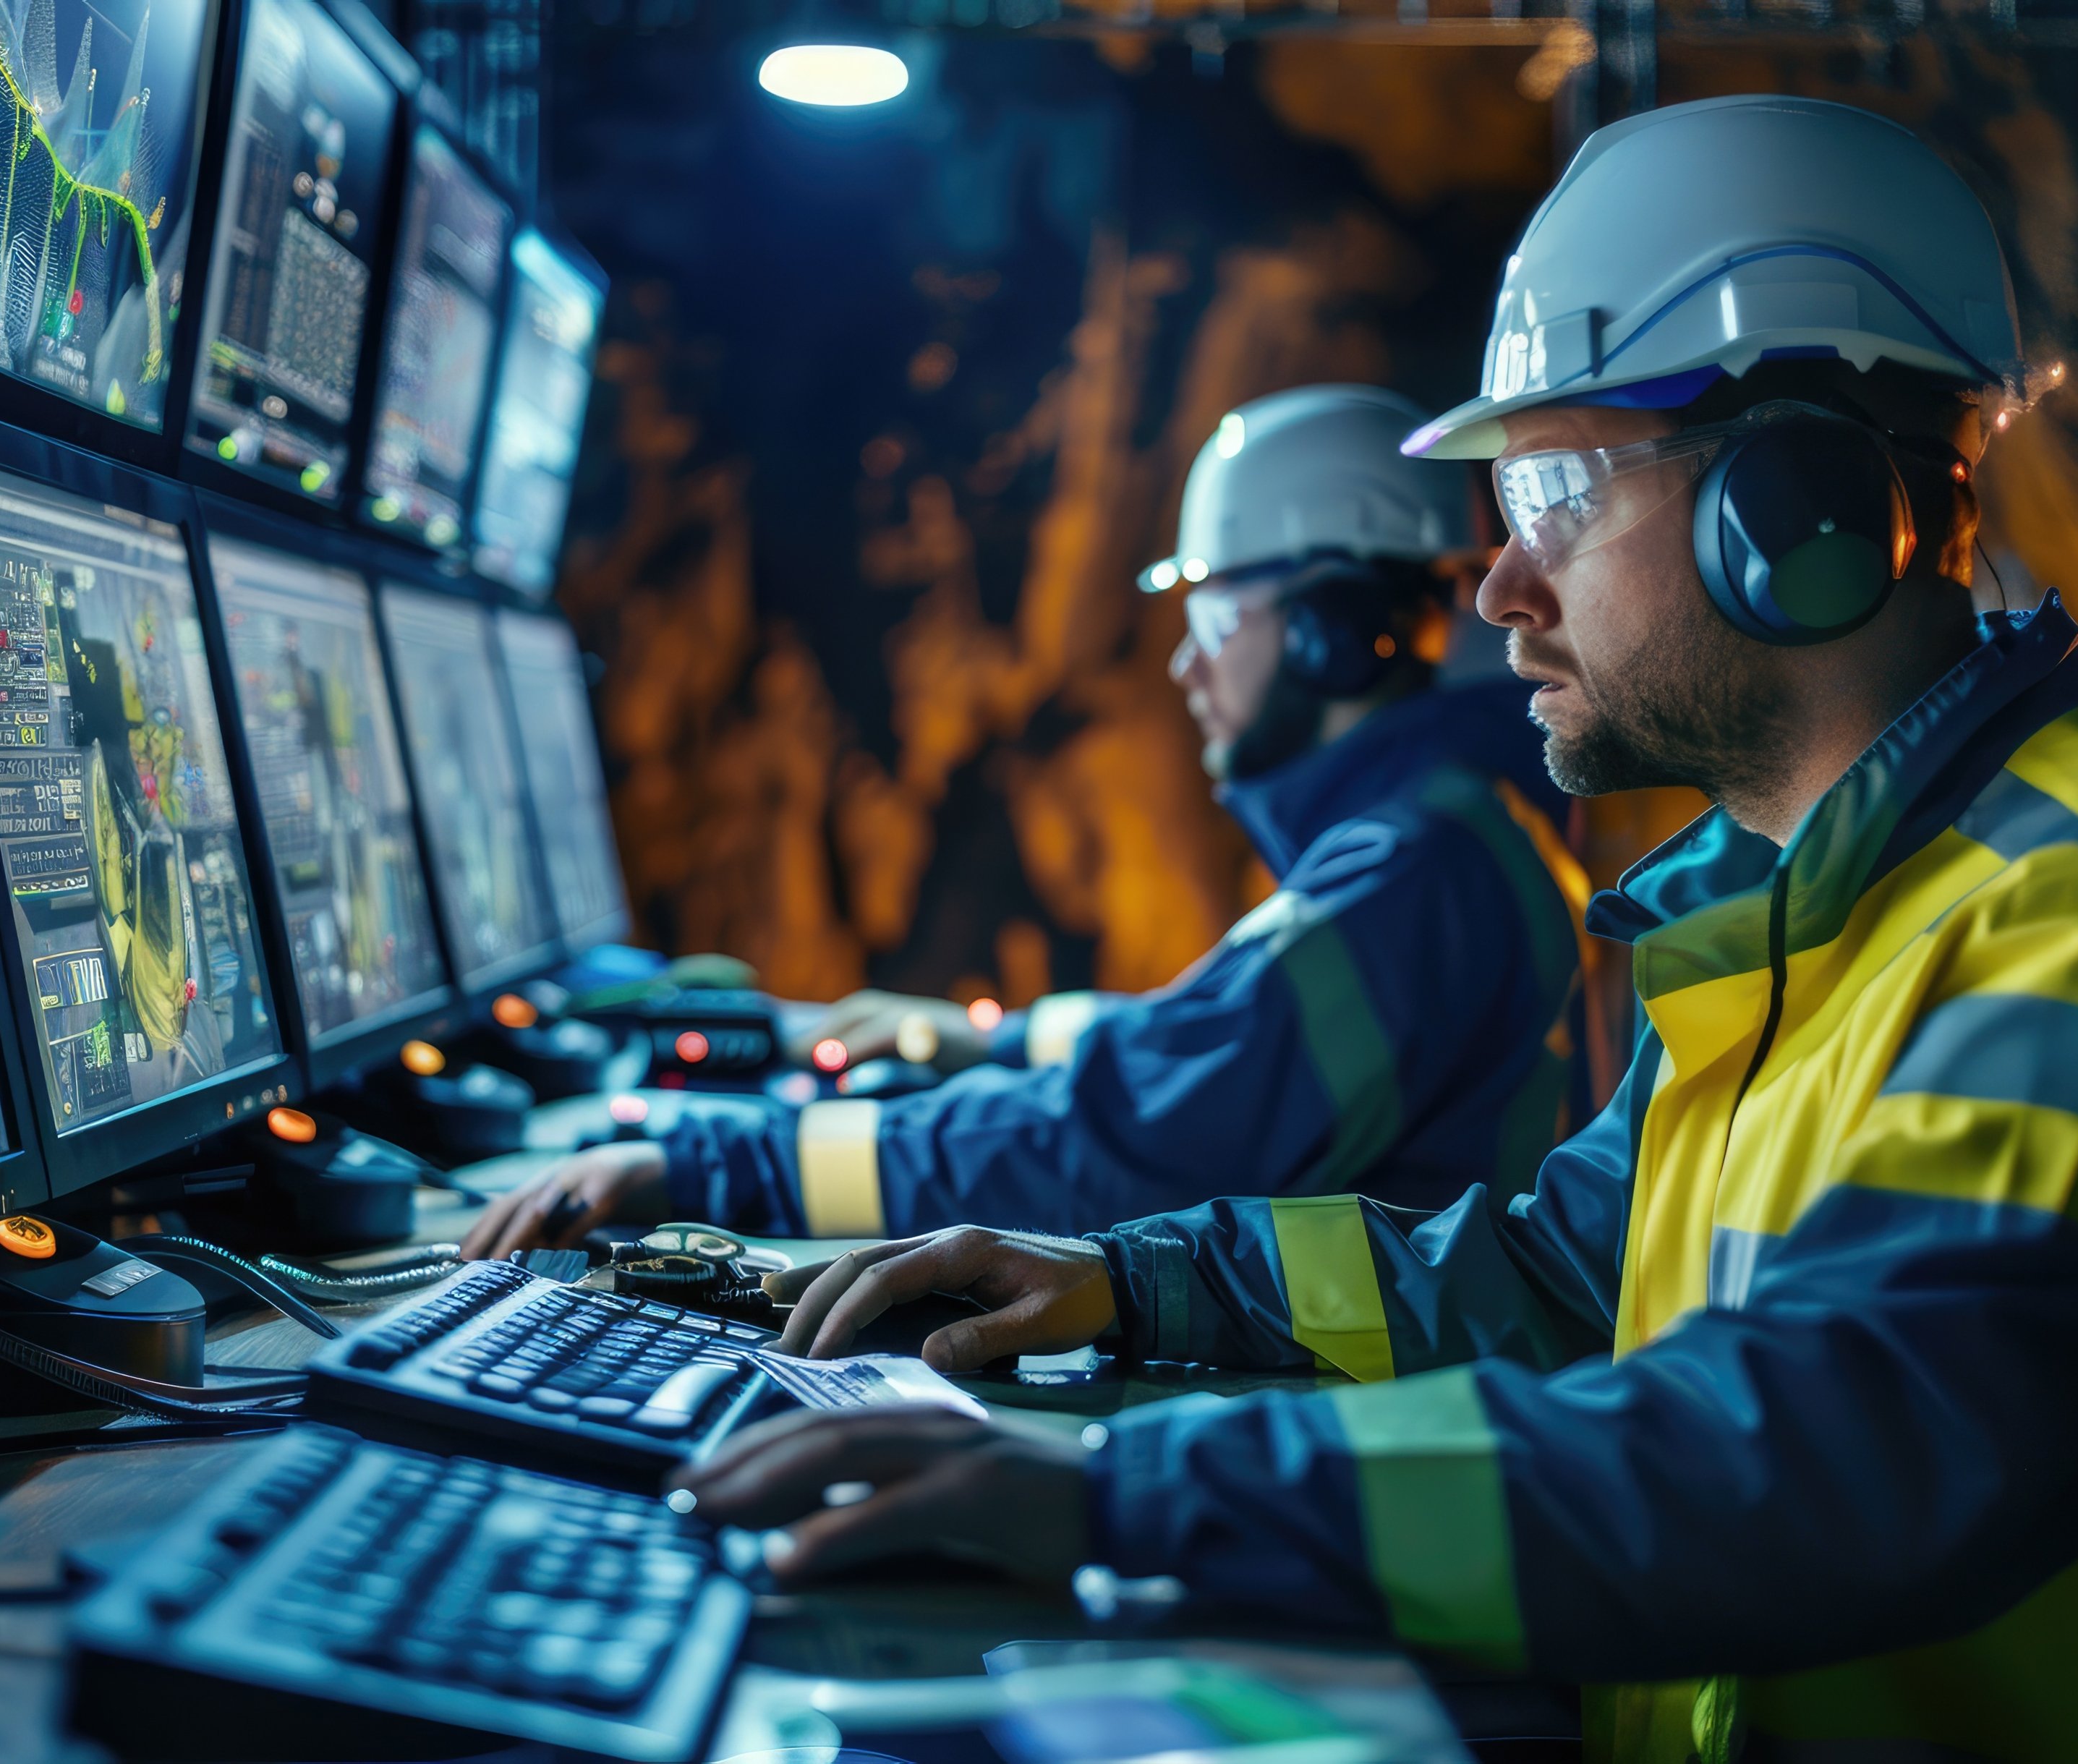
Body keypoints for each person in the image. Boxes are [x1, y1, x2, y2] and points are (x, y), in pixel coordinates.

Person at [665, 95, 2078, 1762]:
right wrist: (1131, 1277)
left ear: (1800, 511)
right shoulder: (1813, 910)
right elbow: (1544, 1278)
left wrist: (1130, 1497)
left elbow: (1828, 1451)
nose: (1501, 587)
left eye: (1553, 498)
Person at [459, 385, 1589, 1251]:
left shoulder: (1416, 868)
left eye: (1216, 613)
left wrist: (719, 1162)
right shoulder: (1443, 832)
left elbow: (1118, 1142)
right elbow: (1204, 1039)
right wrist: (995, 1039)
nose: (1187, 665)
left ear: (1329, 631)